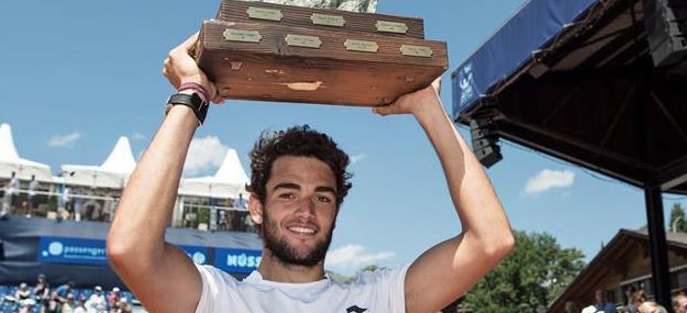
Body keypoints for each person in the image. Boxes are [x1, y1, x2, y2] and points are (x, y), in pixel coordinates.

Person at [107, 34, 514, 313]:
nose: (306, 209)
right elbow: (131, 251)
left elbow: (490, 239)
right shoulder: (217, 299)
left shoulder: (380, 298)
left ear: (337, 209)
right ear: (256, 207)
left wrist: (428, 108)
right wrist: (190, 95)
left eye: (322, 196)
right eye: (287, 193)